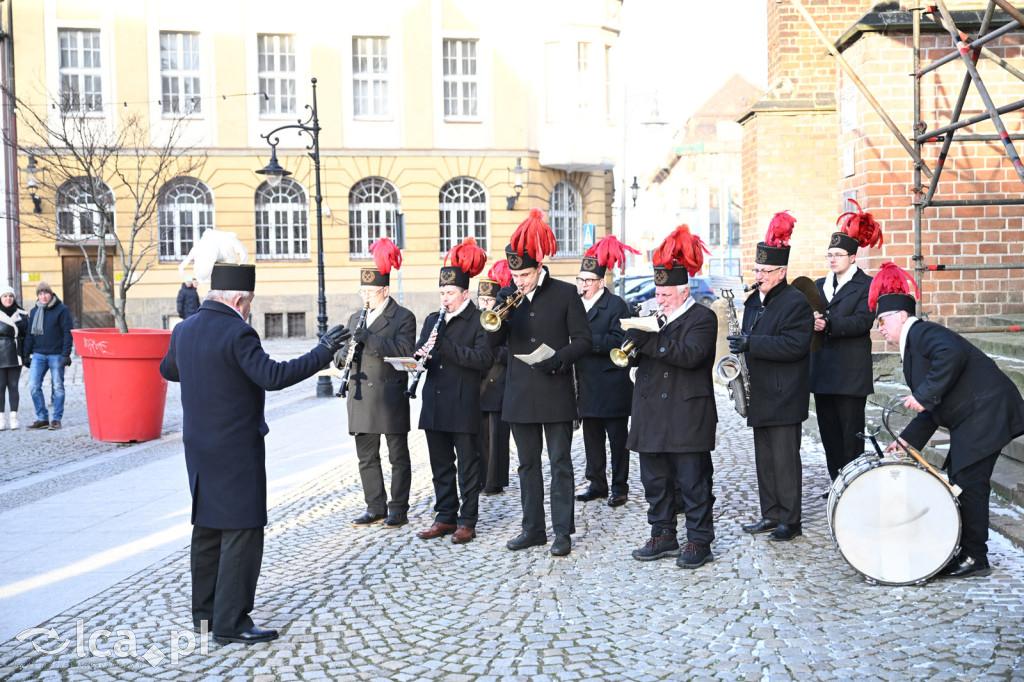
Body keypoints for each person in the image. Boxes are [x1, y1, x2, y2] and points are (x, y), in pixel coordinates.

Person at [159, 260, 351, 644]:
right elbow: (273, 376)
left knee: (208, 528)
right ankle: (231, 623)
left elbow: (169, 370)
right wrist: (323, 351)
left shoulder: (184, 329)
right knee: (242, 530)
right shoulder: (237, 331)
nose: (248, 309)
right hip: (234, 448)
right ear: (238, 298)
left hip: (198, 447)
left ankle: (205, 617)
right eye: (248, 303)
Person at [872, 262, 1024, 578]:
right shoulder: (913, 345)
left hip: (987, 412)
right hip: (975, 416)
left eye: (883, 320)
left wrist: (924, 394)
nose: (880, 328)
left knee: (969, 482)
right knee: (957, 478)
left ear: (902, 316)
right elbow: (934, 406)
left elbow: (951, 355)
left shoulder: (923, 332)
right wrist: (907, 440)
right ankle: (964, 549)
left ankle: (975, 558)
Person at [487, 208, 593, 557]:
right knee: (526, 465)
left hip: (556, 389)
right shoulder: (508, 297)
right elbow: (491, 343)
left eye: (525, 274)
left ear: (539, 267)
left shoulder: (564, 294)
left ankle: (562, 531)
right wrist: (502, 315)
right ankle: (532, 529)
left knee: (560, 463)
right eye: (515, 275)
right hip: (519, 394)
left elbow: (583, 341)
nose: (519, 281)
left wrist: (559, 359)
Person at [625, 225, 719, 568]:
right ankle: (662, 533)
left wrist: (650, 339)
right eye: (657, 293)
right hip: (650, 412)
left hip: (686, 413)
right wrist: (633, 345)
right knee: (655, 481)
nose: (659, 298)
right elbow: (638, 358)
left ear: (682, 291)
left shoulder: (702, 318)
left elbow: (691, 355)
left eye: (665, 294)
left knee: (693, 482)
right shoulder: (653, 318)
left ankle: (699, 540)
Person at [728, 211, 813, 541]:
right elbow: (749, 337)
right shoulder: (753, 301)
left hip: (785, 392)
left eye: (765, 271)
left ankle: (790, 521)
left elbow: (794, 345)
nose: (758, 275)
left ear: (782, 272)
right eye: (756, 269)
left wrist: (751, 342)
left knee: (784, 461)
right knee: (765, 459)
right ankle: (771, 513)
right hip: (760, 392)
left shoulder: (796, 302)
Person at [334, 238, 417, 529]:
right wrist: (342, 354)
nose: (365, 296)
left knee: (397, 456)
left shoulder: (403, 317)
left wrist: (370, 338)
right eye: (363, 291)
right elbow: (339, 356)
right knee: (366, 457)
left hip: (389, 394)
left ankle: (398, 508)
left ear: (385, 291)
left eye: (370, 291)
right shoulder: (357, 316)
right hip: (359, 395)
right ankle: (375, 506)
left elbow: (405, 351)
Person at [414, 238, 492, 544]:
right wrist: (415, 360)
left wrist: (445, 346)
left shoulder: (480, 321)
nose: (444, 299)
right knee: (440, 464)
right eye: (442, 293)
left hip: (463, 402)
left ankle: (467, 520)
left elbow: (483, 360)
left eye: (449, 294)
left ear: (464, 294)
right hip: (434, 401)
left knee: (468, 466)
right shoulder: (433, 320)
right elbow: (422, 352)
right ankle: (445, 516)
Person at [810, 201, 881, 495]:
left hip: (850, 373)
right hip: (823, 370)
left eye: (838, 255)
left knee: (850, 433)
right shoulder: (817, 284)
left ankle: (852, 483)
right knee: (828, 433)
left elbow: (863, 321)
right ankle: (836, 482)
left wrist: (829, 323)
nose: (832, 259)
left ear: (853, 257)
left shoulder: (866, 284)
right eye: (829, 254)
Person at [574, 236, 638, 508]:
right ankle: (596, 483)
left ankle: (619, 486)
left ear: (601, 282)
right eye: (581, 280)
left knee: (617, 440)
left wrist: (588, 342)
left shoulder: (616, 305)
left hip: (612, 383)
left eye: (589, 280)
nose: (584, 285)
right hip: (587, 382)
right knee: (592, 439)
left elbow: (619, 339)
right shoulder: (576, 305)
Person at [477, 262, 512, 495]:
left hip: (498, 383)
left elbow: (510, 351)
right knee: (480, 438)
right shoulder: (475, 319)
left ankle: (495, 480)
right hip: (478, 386)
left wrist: (491, 353)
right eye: (481, 299)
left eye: (488, 301)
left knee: (497, 437)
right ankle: (481, 478)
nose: (484, 304)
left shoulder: (504, 321)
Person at [23, 282, 74, 431]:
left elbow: (67, 332)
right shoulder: (34, 312)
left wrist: (66, 353)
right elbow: (30, 334)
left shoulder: (62, 310)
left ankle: (56, 419)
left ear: (51, 294)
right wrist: (26, 354)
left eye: (46, 293)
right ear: (38, 296)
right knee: (33, 385)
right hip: (38, 355)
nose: (43, 296)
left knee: (58, 387)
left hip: (56, 354)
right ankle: (42, 418)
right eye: (40, 294)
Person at [0, 286, 28, 430]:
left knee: (13, 386)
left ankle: (14, 418)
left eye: (10, 296)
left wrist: (26, 354)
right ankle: (1, 419)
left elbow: (27, 335)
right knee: (0, 387)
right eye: (5, 296)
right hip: (0, 354)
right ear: (1, 298)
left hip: (15, 354)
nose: (8, 299)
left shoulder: (22, 315)